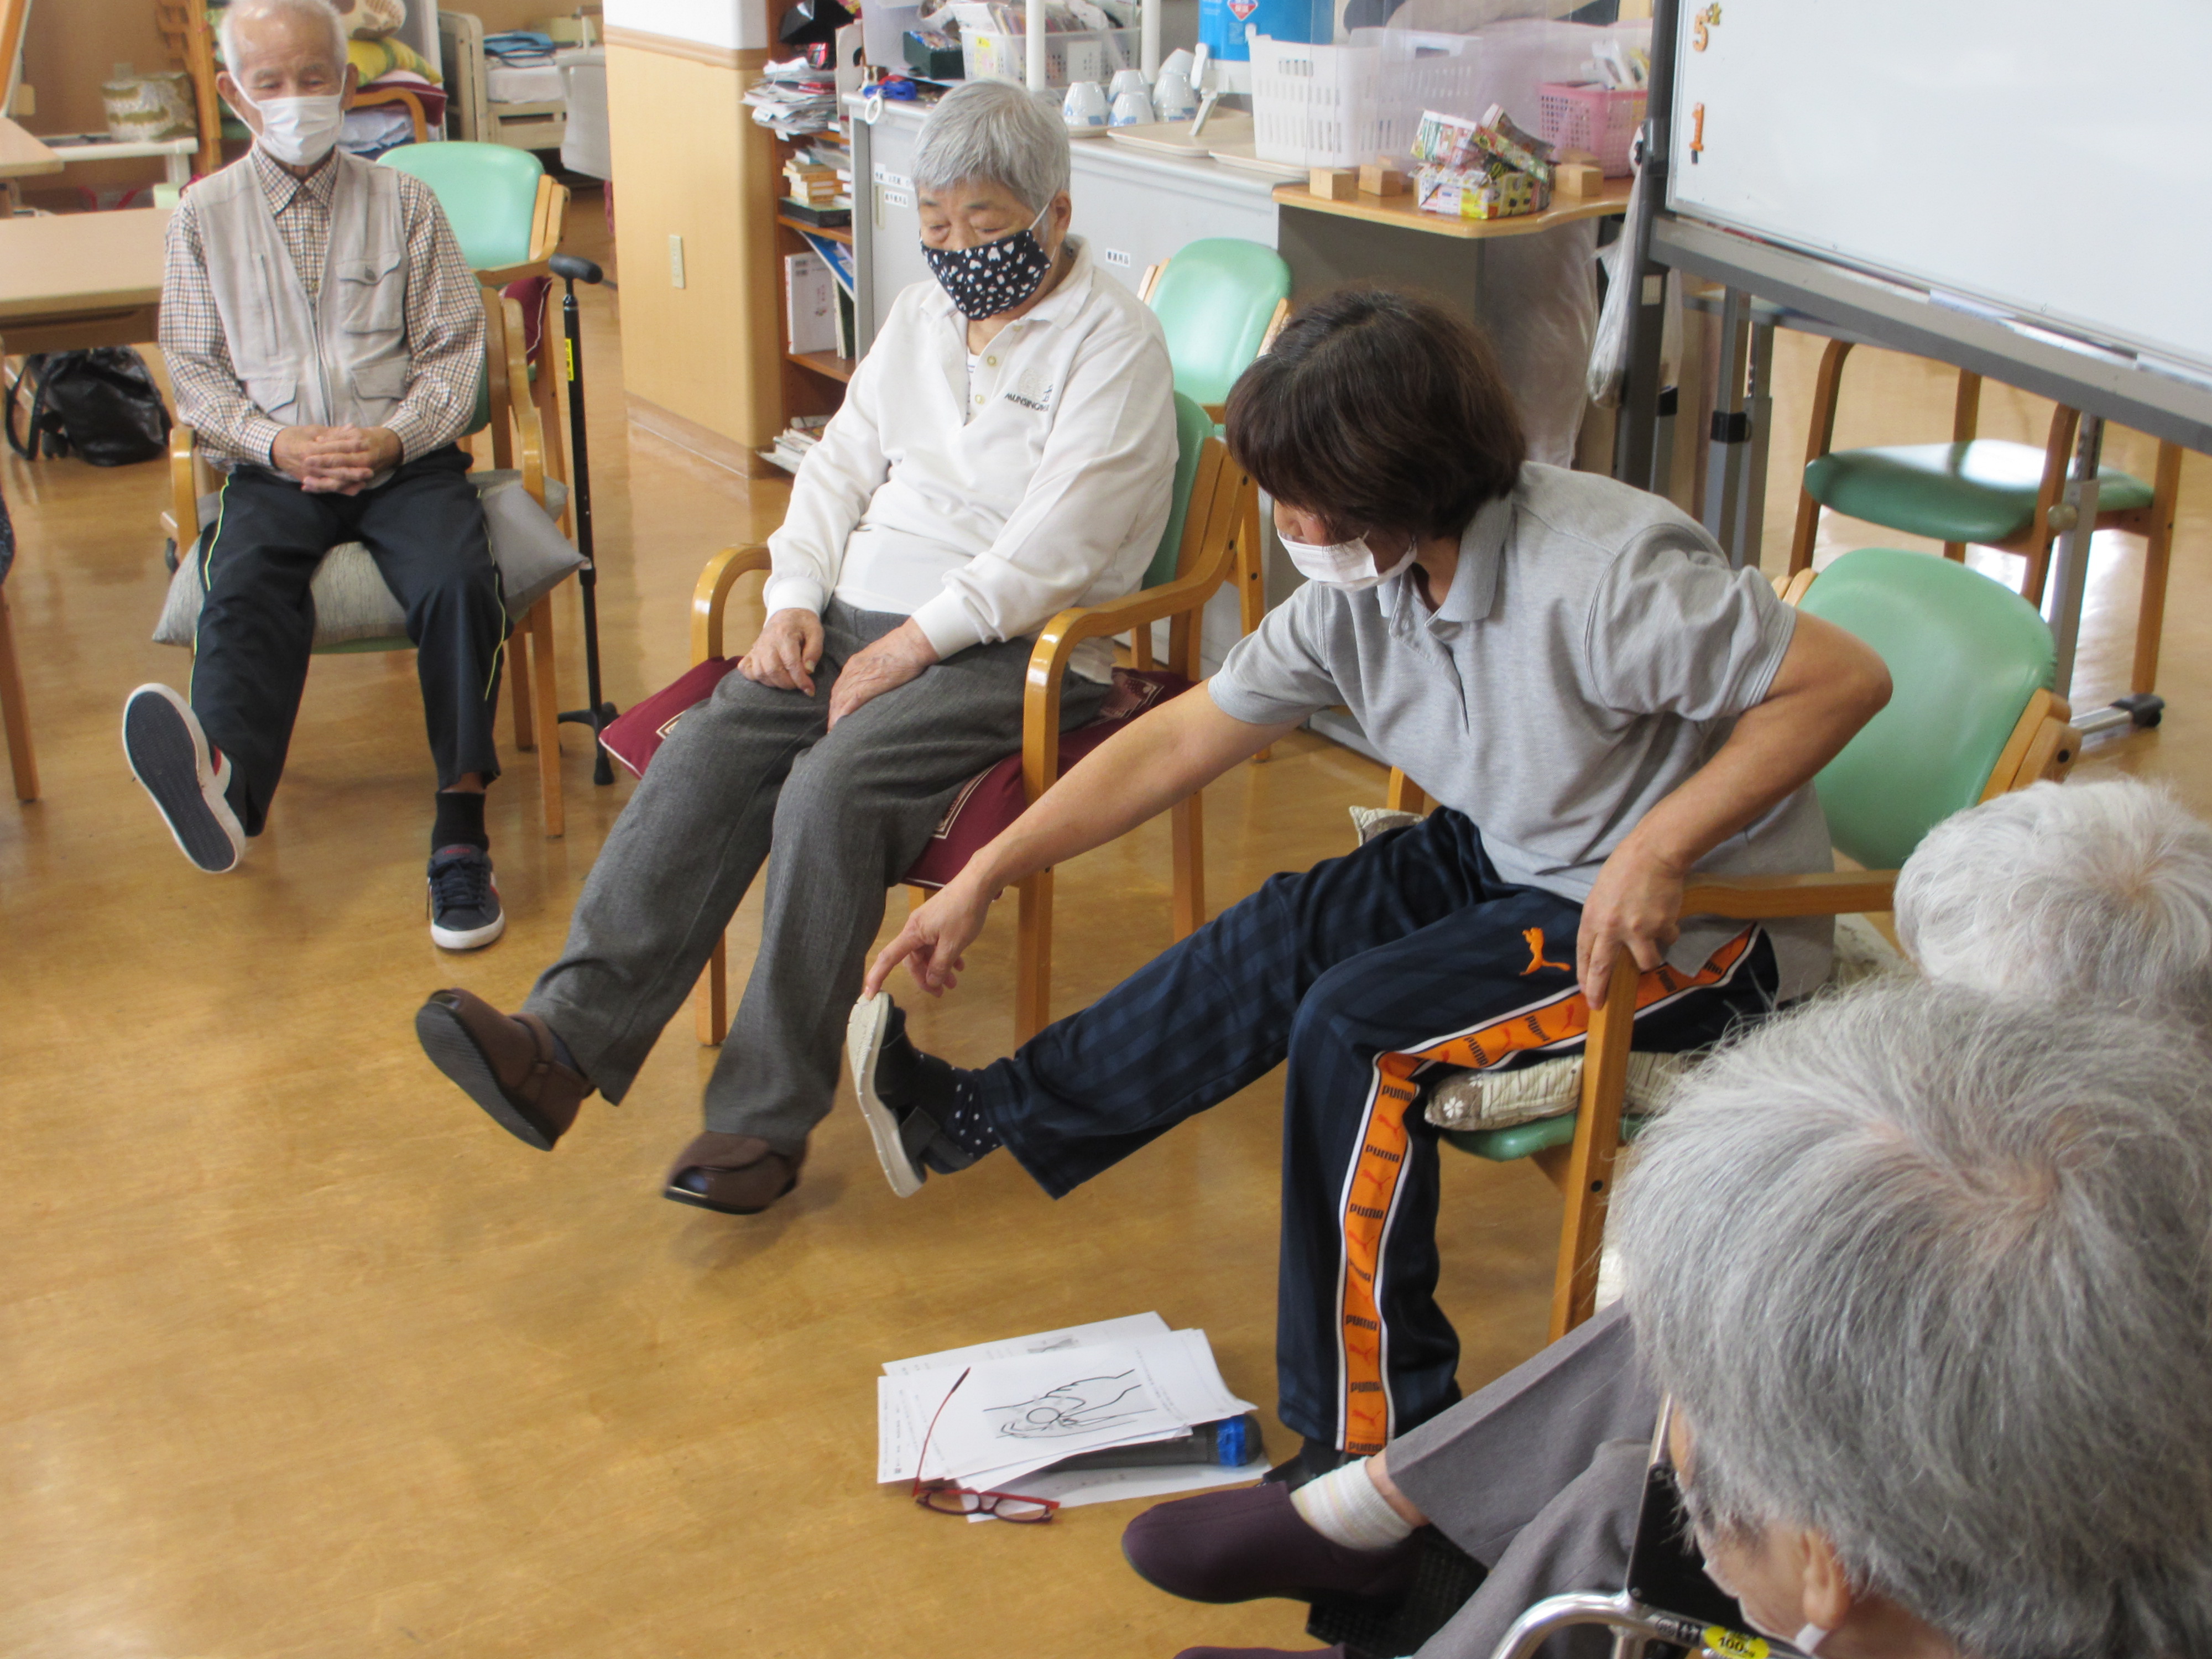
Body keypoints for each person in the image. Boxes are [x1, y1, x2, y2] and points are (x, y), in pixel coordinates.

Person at [851, 286, 1892, 1471]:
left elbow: (1841, 681)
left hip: (1694, 927)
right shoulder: (1364, 589)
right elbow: (1181, 741)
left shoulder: (1604, 571)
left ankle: (1375, 1456)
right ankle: (981, 1116)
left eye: (1311, 498)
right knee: (1289, 930)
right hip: (1516, 853)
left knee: (1359, 1031)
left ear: (1404, 480)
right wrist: (987, 870)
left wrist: (1662, 847)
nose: (1290, 524)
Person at [1123, 774, 2212, 1659]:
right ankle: (1386, 1530)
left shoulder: (2065, 1271)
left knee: (1647, 1490)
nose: (1936, 1038)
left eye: (1960, 1023)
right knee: (1642, 1465)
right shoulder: (2131, 1154)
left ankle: (1384, 1526)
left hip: (2011, 1559)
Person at [414, 81, 1178, 1215]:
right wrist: (791, 597)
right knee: (706, 752)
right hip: (855, 619)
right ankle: (559, 1051)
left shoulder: (1114, 345)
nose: (954, 250)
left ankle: (761, 1124)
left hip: (1014, 650)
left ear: (1053, 213)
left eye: (980, 224)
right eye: (934, 224)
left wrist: (912, 645)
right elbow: (836, 467)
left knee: (831, 791)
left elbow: (1059, 548)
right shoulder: (919, 317)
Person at [122, 0, 509, 948]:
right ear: (234, 94)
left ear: (347, 82)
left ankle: (462, 835)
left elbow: (454, 355)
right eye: (271, 82)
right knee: (244, 584)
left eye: (313, 78)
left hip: (404, 461)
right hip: (275, 466)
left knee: (459, 582)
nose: (295, 98)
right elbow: (196, 375)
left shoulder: (406, 204)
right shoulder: (202, 217)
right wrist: (274, 443)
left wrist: (391, 439)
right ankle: (226, 792)